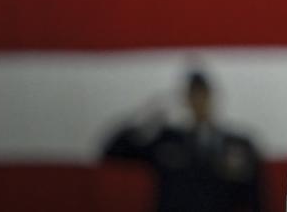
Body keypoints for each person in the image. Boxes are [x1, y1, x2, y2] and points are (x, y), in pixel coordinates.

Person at [103, 69, 264, 212]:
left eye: (203, 94)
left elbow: (255, 198)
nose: (199, 101)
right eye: (193, 95)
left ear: (211, 96)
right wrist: (145, 120)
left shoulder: (238, 145)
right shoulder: (166, 140)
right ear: (186, 100)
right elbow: (113, 151)